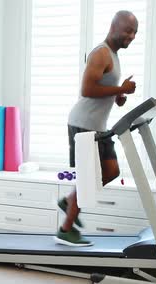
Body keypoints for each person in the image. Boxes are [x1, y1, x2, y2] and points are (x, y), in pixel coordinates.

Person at [55, 10, 138, 246]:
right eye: (128, 30)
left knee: (111, 171)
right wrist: (119, 89)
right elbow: (87, 90)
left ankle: (71, 200)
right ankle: (65, 230)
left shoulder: (114, 55)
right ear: (114, 28)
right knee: (88, 179)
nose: (131, 36)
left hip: (98, 127)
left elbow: (104, 90)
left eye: (135, 33)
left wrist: (119, 94)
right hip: (83, 124)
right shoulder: (101, 53)